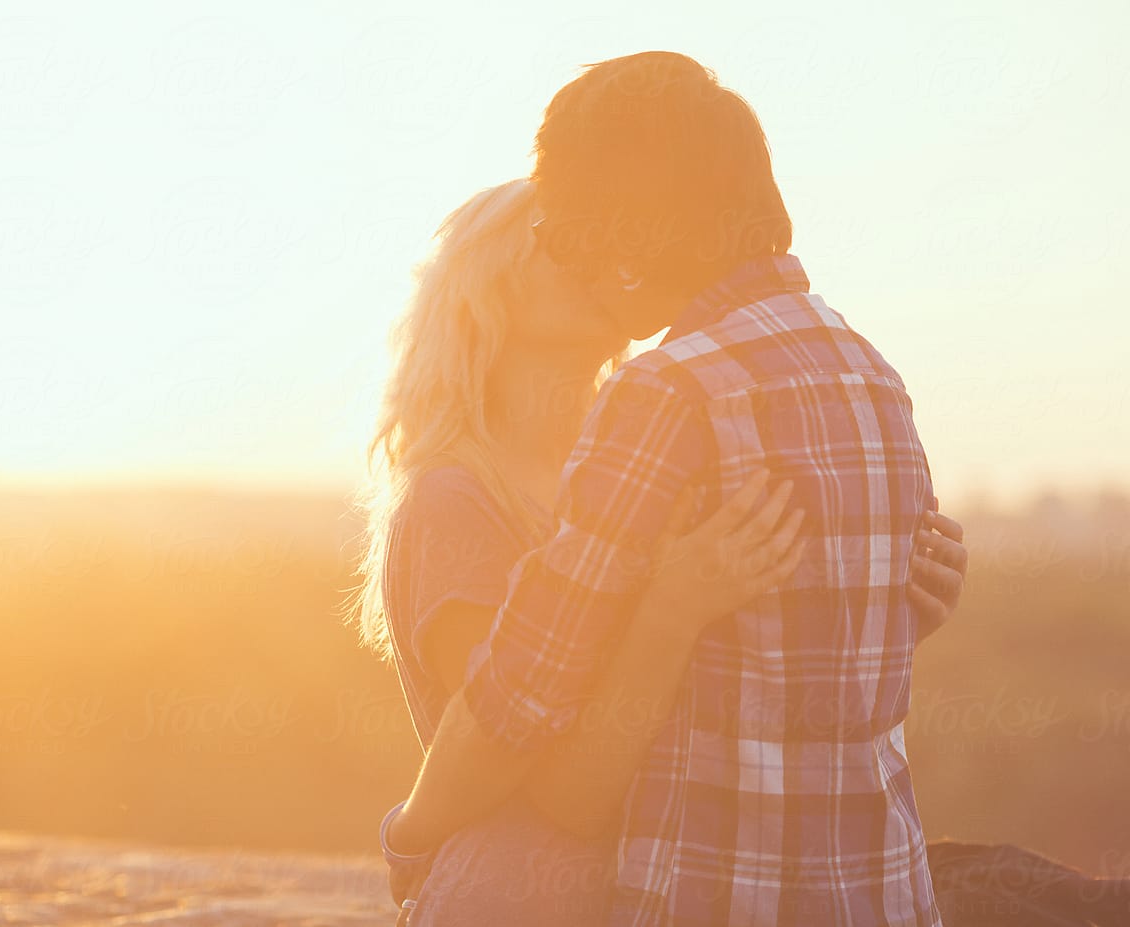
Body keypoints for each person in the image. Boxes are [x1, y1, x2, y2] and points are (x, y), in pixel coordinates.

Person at [375, 51, 953, 926]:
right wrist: (412, 831)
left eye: (575, 224)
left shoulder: (661, 419)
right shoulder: (864, 374)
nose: (571, 248)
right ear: (484, 299)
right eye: (546, 238)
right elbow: (522, 752)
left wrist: (901, 594)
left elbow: (768, 654)